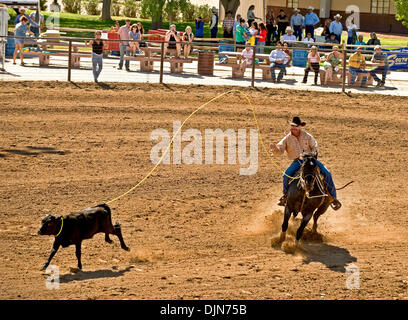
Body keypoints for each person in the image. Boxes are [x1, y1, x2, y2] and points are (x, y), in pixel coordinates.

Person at [270, 116, 342, 210]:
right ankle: (285, 196)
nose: (293, 128)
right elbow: (280, 150)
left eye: (295, 126)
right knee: (285, 175)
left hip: (310, 160)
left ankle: (333, 198)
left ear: (300, 127)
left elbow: (315, 147)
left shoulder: (307, 136)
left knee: (327, 173)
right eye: (292, 126)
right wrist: (275, 149)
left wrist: (311, 156)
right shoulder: (287, 138)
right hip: (297, 161)